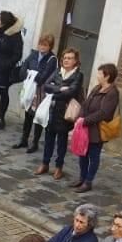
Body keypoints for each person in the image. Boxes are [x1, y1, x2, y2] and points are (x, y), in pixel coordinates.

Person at [35, 47, 85, 180]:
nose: (66, 60)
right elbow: (46, 86)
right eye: (64, 58)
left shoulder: (78, 75)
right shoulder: (58, 71)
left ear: (75, 61)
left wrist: (55, 91)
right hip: (52, 111)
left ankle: (58, 167)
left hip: (65, 113)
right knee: (48, 139)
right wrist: (60, 89)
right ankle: (45, 163)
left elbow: (72, 92)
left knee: (62, 142)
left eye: (69, 58)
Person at [13, 33, 58, 153]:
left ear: (50, 47)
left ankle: (35, 143)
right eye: (41, 44)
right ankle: (24, 139)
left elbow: (43, 76)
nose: (42, 47)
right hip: (29, 88)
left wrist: (32, 74)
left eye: (45, 45)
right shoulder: (33, 54)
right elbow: (24, 67)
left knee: (37, 115)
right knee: (28, 113)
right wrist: (28, 73)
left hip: (40, 91)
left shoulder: (52, 59)